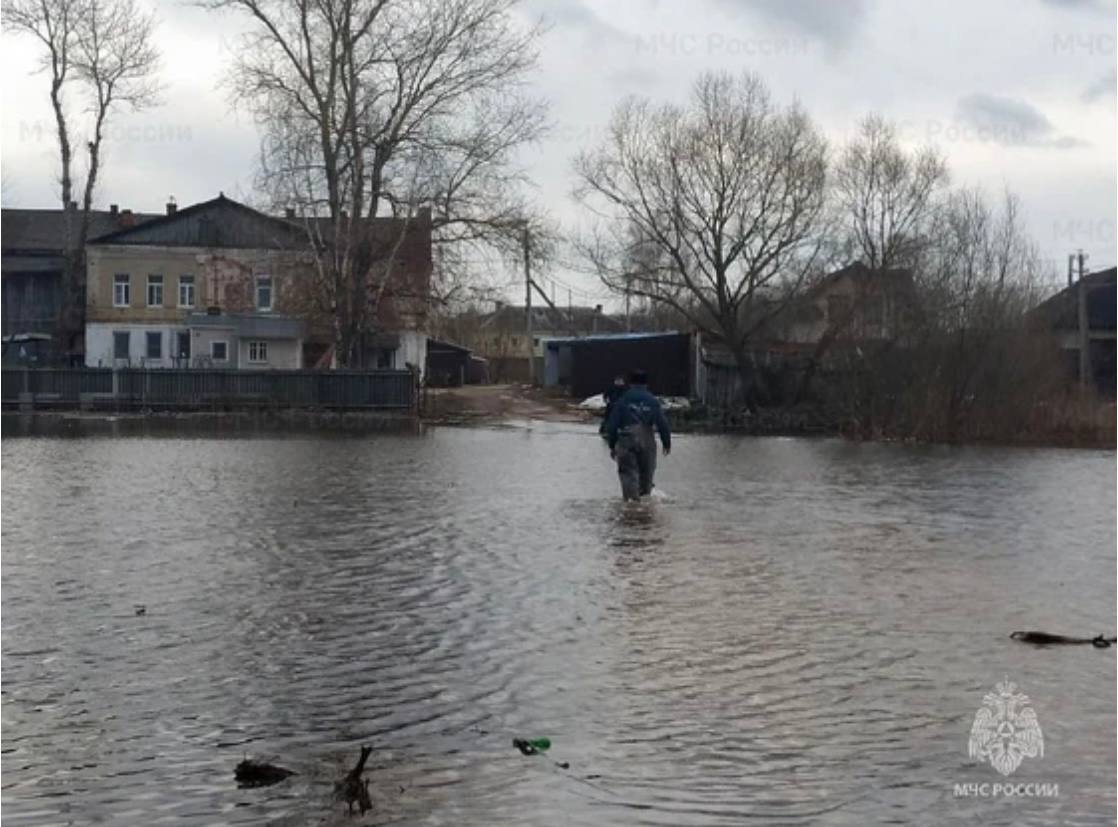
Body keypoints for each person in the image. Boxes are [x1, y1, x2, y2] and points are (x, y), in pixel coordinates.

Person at [604, 369, 671, 500]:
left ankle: (631, 511)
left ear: (630, 384)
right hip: (647, 440)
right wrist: (666, 443)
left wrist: (612, 445)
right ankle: (644, 512)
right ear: (646, 384)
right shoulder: (652, 401)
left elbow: (611, 426)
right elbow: (663, 424)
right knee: (646, 480)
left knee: (629, 475)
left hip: (626, 438)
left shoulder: (623, 400)